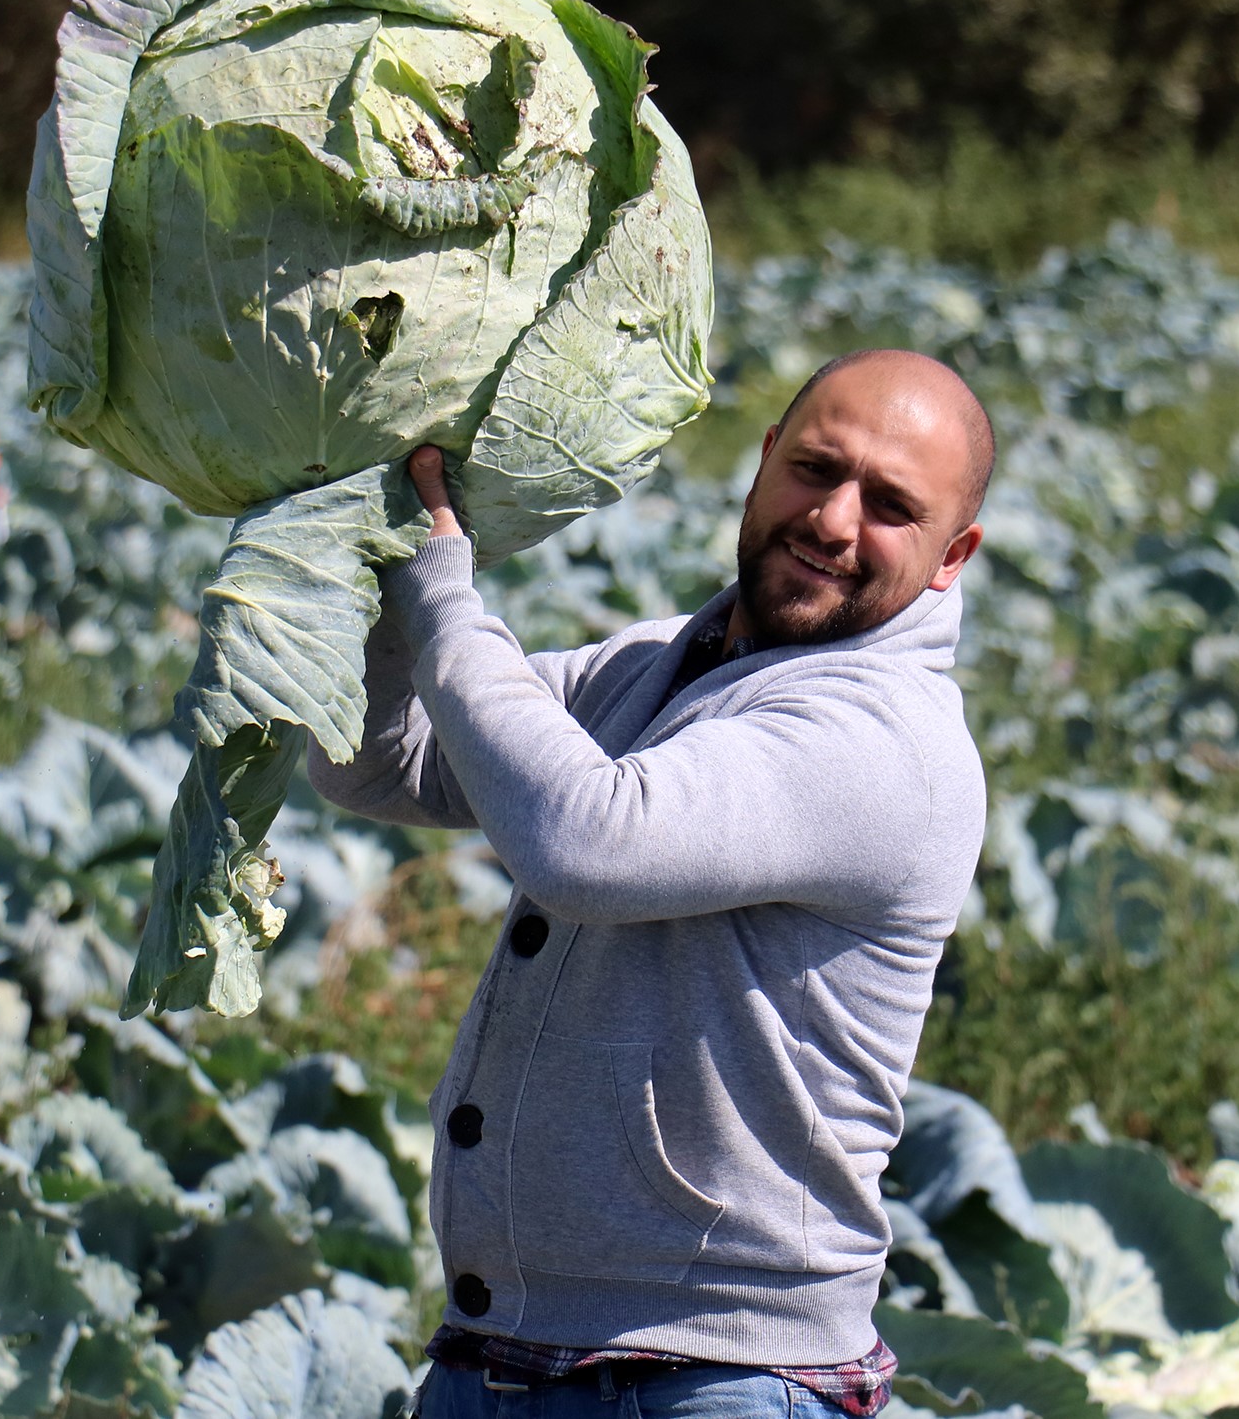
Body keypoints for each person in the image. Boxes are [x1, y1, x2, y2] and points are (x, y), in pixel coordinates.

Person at [309, 348, 995, 1419]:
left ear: (952, 555)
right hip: (504, 1356)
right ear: (764, 461)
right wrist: (364, 557)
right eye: (816, 468)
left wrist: (441, 590)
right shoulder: (660, 666)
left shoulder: (883, 739)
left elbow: (586, 839)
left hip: (709, 1382)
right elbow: (385, 762)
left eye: (892, 506)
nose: (833, 519)